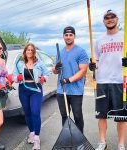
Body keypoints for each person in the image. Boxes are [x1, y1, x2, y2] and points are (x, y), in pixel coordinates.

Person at [89, 10, 127, 150]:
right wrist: (93, 65)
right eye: (107, 17)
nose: (109, 19)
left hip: (120, 82)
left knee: (122, 116)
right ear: (103, 20)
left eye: (112, 17)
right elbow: (97, 60)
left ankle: (121, 144)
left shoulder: (125, 37)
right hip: (102, 82)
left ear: (117, 19)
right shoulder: (99, 40)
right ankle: (102, 142)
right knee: (101, 115)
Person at [12, 43, 49, 150]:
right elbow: (14, 75)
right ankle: (32, 133)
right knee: (27, 113)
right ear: (25, 51)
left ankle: (37, 139)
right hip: (23, 89)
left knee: (35, 112)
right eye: (28, 50)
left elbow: (46, 74)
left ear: (34, 52)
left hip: (36, 89)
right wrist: (17, 78)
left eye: (31, 50)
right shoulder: (19, 63)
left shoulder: (39, 63)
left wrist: (43, 78)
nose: (29, 52)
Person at [52, 26, 89, 133]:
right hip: (61, 90)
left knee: (77, 116)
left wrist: (69, 80)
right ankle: (68, 138)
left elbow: (83, 71)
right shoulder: (60, 52)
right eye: (66, 35)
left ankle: (79, 139)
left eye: (70, 35)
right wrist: (56, 68)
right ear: (63, 36)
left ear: (74, 36)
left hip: (76, 90)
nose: (68, 37)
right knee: (64, 116)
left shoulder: (81, 51)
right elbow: (55, 71)